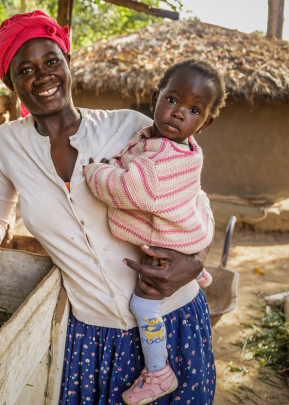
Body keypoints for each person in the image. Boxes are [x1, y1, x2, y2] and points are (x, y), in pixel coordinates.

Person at [0, 11, 216, 404]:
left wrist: (194, 262)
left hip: (173, 316)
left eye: (51, 61)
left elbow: (193, 199)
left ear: (68, 63)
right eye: (25, 69)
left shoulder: (130, 128)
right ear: (10, 82)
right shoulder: (9, 144)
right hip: (91, 336)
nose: (43, 76)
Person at [82, 59, 226, 405]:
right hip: (185, 235)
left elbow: (131, 190)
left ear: (205, 123)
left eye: (194, 110)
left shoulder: (165, 157)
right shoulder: (174, 145)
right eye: (172, 100)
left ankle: (159, 372)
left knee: (143, 306)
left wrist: (96, 172)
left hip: (166, 249)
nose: (179, 113)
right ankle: (198, 270)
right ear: (155, 99)